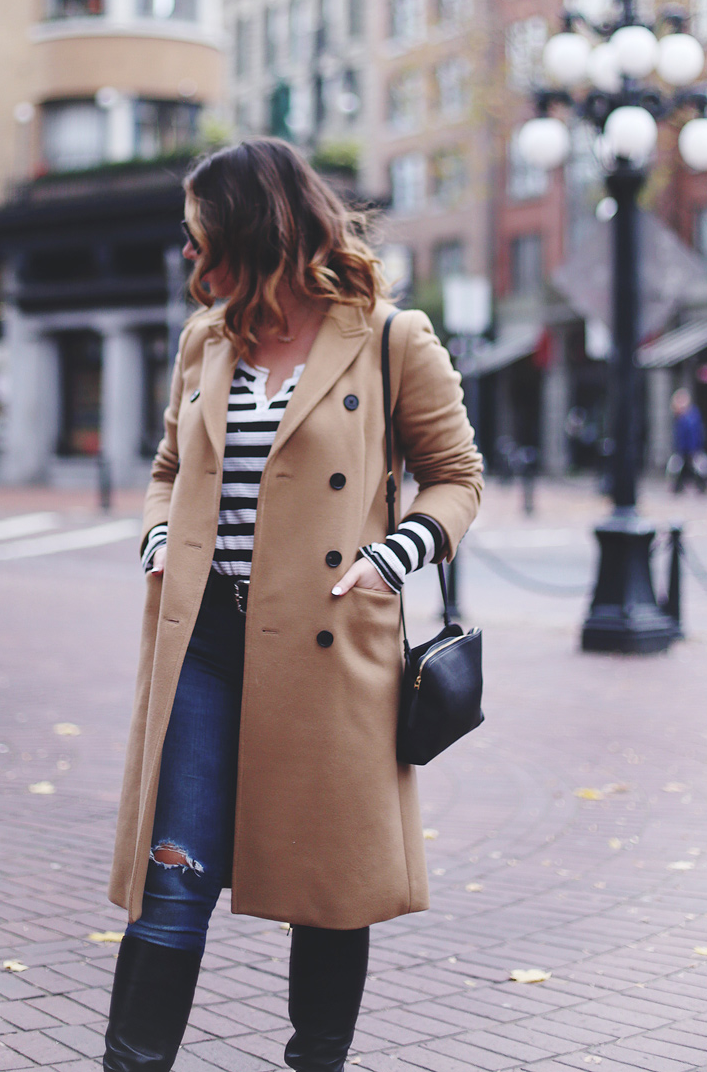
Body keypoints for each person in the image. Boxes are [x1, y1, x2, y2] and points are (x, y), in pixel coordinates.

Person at [103, 139, 483, 1072]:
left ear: (252, 231)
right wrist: (158, 540)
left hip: (326, 647)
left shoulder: (391, 338)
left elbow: (457, 479)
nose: (189, 258)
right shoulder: (208, 341)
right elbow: (164, 473)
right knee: (173, 877)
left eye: (200, 238)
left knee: (329, 883)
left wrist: (392, 557)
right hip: (201, 644)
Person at [668, 388, 707, 495]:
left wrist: (692, 448)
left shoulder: (689, 417)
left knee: (692, 468)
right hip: (685, 448)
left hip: (689, 448)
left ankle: (700, 486)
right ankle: (681, 487)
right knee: (683, 468)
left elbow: (693, 435)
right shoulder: (684, 417)